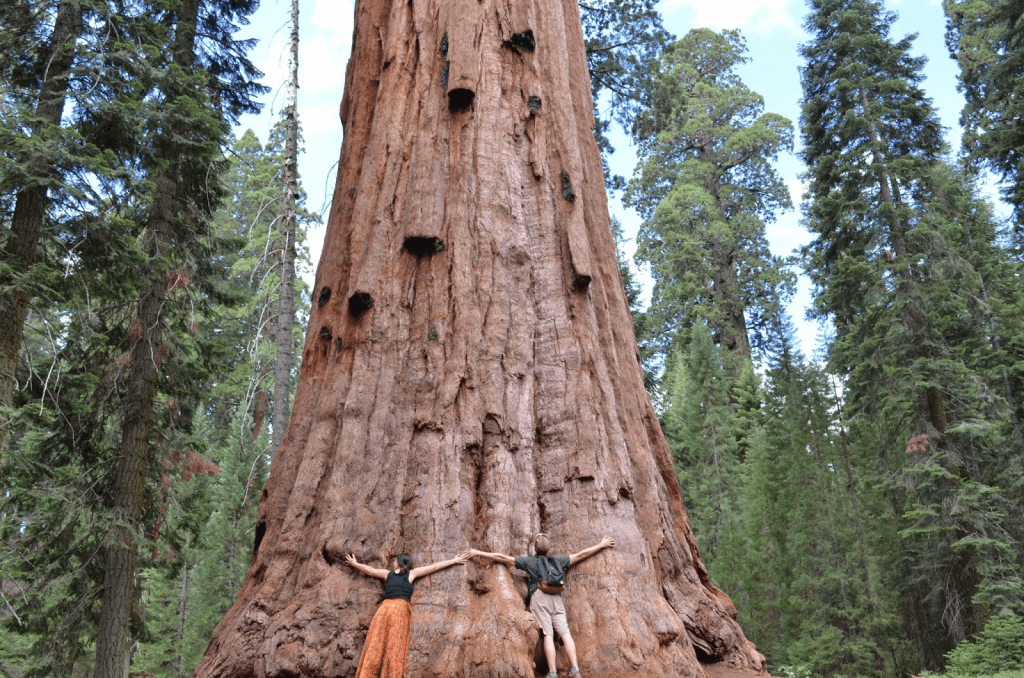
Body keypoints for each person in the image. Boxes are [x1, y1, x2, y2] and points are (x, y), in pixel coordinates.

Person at [469, 533, 614, 678]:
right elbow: (582, 554)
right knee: (566, 633)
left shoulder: (530, 562)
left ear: (535, 548)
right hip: (556, 599)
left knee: (548, 635)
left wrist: (477, 552)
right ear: (548, 549)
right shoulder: (558, 561)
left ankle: (552, 673)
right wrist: (601, 545)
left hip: (540, 598)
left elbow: (502, 558)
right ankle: (575, 670)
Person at [345, 550, 470, 678]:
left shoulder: (388, 574)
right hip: (400, 609)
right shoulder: (411, 574)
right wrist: (453, 560)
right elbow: (433, 567)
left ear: (398, 563)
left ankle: (366, 674)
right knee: (395, 644)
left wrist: (355, 564)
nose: (393, 562)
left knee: (375, 640)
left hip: (385, 609)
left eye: (395, 561)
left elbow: (370, 570)